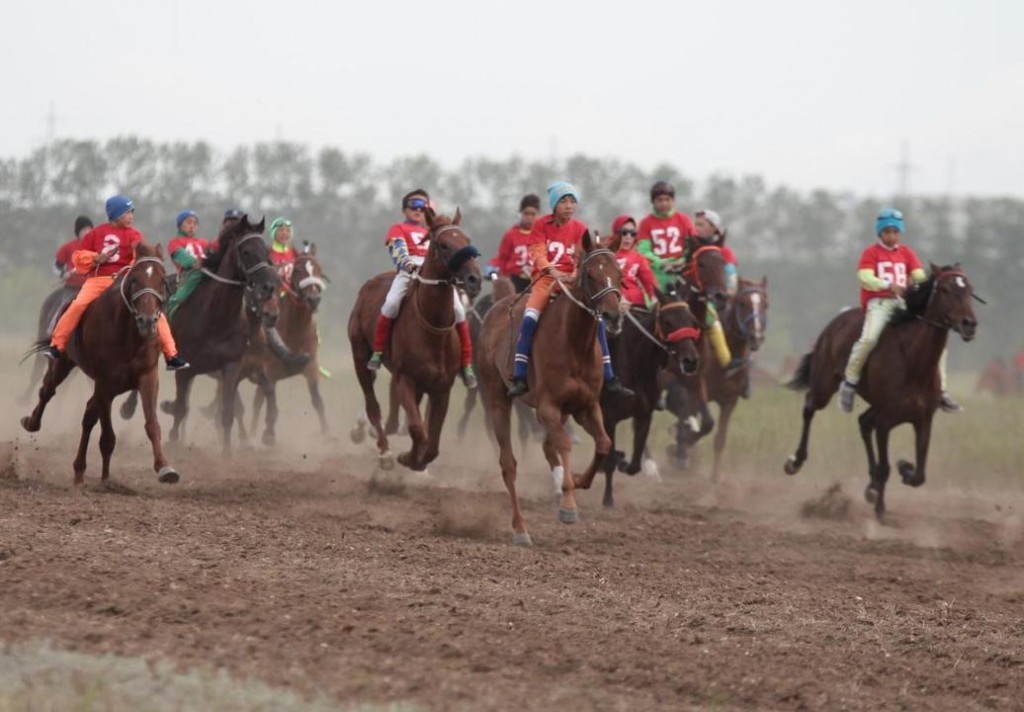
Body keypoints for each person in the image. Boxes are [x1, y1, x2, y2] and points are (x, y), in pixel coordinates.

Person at [506, 182, 632, 398]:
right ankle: (519, 375)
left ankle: (610, 378)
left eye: (573, 201)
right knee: (530, 316)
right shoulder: (540, 225)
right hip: (545, 280)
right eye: (564, 201)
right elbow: (537, 252)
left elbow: (581, 258)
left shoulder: (580, 228)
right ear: (554, 204)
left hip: (572, 282)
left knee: (596, 318)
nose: (569, 206)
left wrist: (573, 274)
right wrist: (552, 272)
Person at [44, 195, 189, 370]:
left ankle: (171, 355)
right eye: (127, 213)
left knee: (155, 311)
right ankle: (57, 346)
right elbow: (78, 257)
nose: (131, 217)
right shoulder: (95, 233)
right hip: (97, 281)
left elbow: (141, 253)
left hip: (124, 280)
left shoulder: (135, 234)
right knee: (77, 305)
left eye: (132, 213)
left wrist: (151, 254)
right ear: (115, 215)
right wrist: (96, 257)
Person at [838, 208, 961, 414]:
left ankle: (941, 391)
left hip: (902, 304)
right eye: (887, 232)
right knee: (868, 339)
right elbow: (864, 277)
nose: (892, 236)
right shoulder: (871, 253)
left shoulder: (907, 253)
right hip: (879, 303)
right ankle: (850, 382)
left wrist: (928, 283)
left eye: (896, 232)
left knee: (935, 341)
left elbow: (919, 276)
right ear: (880, 233)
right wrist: (888, 285)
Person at [367, 189, 477, 389]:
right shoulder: (398, 229)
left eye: (422, 206)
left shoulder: (435, 231)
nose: (418, 210)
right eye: (413, 206)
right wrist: (408, 265)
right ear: (405, 210)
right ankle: (378, 351)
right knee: (391, 304)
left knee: (460, 311)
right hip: (408, 271)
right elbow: (397, 250)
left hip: (434, 274)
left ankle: (466, 364)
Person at [688, 209, 745, 374]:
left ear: (714, 228)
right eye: (696, 224)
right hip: (690, 293)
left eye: (701, 224)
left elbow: (730, 271)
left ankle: (727, 363)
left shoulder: (723, 251)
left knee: (714, 321)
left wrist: (731, 288)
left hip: (714, 297)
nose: (696, 227)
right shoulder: (690, 246)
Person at [637, 181, 695, 291]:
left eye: (667, 200)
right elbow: (643, 251)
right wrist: (661, 263)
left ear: (673, 201)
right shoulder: (646, 223)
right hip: (657, 273)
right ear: (653, 202)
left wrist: (683, 260)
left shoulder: (684, 220)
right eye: (660, 200)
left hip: (682, 271)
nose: (664, 203)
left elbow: (693, 246)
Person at [486, 194, 541, 293]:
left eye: (533, 214)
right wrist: (492, 269)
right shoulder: (511, 235)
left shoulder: (543, 235)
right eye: (526, 214)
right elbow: (502, 259)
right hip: (515, 280)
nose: (529, 218)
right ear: (520, 214)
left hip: (537, 280)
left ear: (539, 215)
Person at [609, 215, 657, 308]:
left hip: (637, 304)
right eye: (624, 232)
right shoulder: (606, 255)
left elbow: (649, 280)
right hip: (612, 303)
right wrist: (617, 299)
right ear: (616, 233)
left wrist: (654, 297)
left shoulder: (638, 257)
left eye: (633, 233)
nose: (628, 237)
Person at [54, 216, 94, 289]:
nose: (87, 232)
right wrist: (63, 274)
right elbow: (56, 267)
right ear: (78, 232)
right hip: (72, 288)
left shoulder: (97, 246)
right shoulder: (68, 247)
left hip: (91, 288)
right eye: (84, 229)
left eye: (89, 229)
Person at [167, 210, 210, 275]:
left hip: (208, 271)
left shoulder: (204, 242)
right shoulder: (175, 242)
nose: (192, 226)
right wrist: (195, 262)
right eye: (189, 223)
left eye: (195, 223)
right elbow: (181, 256)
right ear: (180, 226)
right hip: (189, 275)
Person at [268, 217, 298, 283]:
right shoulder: (266, 253)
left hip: (291, 292)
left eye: (288, 230)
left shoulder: (295, 253)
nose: (284, 233)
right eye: (281, 230)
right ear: (274, 233)